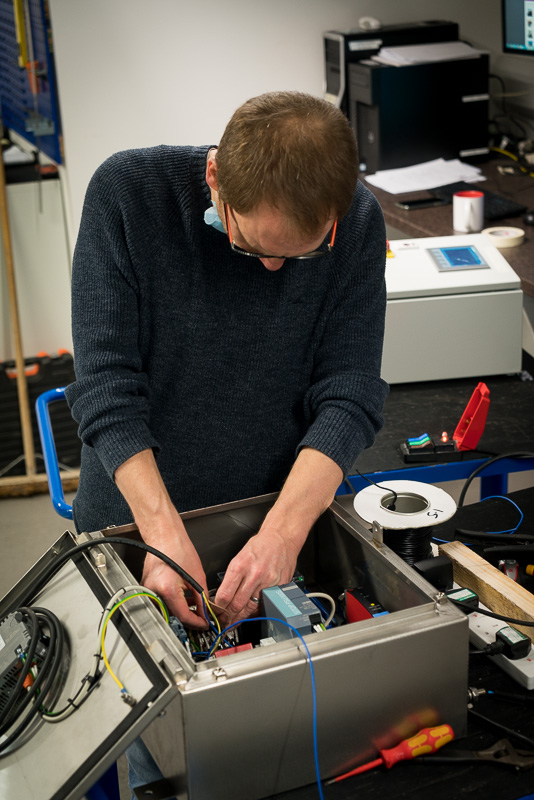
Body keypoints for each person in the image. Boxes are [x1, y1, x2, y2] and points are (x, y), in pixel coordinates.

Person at [66, 90, 389, 633]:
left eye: (301, 253)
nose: (269, 268)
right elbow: (105, 387)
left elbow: (349, 394)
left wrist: (283, 535)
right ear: (214, 175)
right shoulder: (128, 194)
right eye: (249, 243)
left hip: (275, 517)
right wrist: (162, 535)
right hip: (133, 520)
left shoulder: (357, 220)